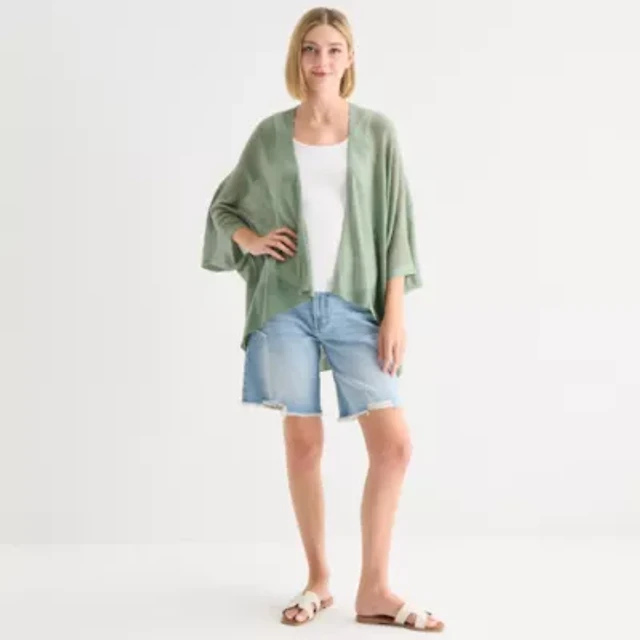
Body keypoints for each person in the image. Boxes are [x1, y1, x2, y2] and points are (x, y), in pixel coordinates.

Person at [201, 6, 445, 633]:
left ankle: (375, 588)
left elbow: (397, 226)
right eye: (311, 49)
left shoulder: (377, 132)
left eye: (334, 49)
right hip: (286, 306)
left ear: (350, 58)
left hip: (355, 305)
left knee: (394, 445)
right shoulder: (269, 135)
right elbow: (225, 208)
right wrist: (253, 240)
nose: (322, 60)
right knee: (304, 445)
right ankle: (318, 579)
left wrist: (395, 311)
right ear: (298, 56)